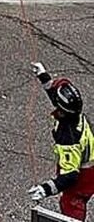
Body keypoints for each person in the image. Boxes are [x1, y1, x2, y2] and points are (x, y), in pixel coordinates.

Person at [29, 61, 94, 219]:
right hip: (90, 166)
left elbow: (70, 175)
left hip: (82, 179)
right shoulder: (74, 114)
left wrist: (46, 189)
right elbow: (56, 97)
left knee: (71, 203)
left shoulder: (68, 138)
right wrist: (44, 77)